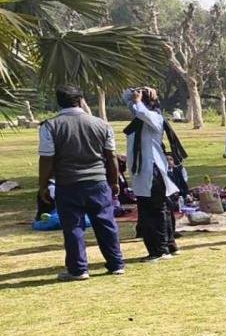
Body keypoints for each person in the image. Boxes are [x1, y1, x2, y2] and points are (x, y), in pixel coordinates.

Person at [37, 85, 125, 280]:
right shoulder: (102, 124)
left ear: (59, 102)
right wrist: (114, 181)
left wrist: (43, 185)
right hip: (97, 181)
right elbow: (111, 156)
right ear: (80, 100)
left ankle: (78, 269)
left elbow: (46, 159)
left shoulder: (50, 126)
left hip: (67, 183)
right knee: (106, 223)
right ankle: (116, 263)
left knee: (73, 228)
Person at [125, 87, 179, 261]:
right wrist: (137, 94)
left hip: (152, 170)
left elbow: (142, 112)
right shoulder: (141, 118)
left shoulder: (154, 117)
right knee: (158, 210)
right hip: (144, 171)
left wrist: (139, 101)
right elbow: (127, 99)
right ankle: (169, 245)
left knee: (153, 212)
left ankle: (160, 250)